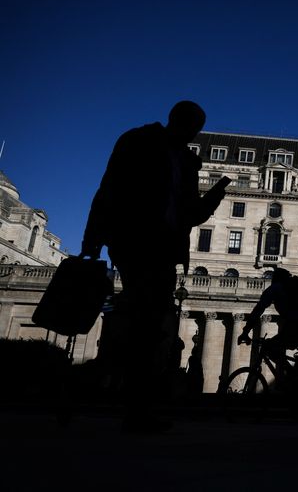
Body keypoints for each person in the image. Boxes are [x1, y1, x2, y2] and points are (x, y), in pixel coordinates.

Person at [81, 101, 227, 432]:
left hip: (165, 249)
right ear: (177, 119)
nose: (193, 132)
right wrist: (93, 237)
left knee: (151, 325)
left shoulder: (189, 162)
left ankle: (130, 398)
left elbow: (192, 215)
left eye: (197, 128)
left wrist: (216, 195)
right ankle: (121, 393)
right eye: (191, 125)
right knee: (143, 321)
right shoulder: (139, 140)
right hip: (134, 240)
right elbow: (109, 188)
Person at [238, 268, 298, 375]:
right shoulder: (297, 288)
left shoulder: (276, 288)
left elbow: (259, 309)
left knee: (269, 347)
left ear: (275, 279)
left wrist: (246, 331)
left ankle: (290, 375)